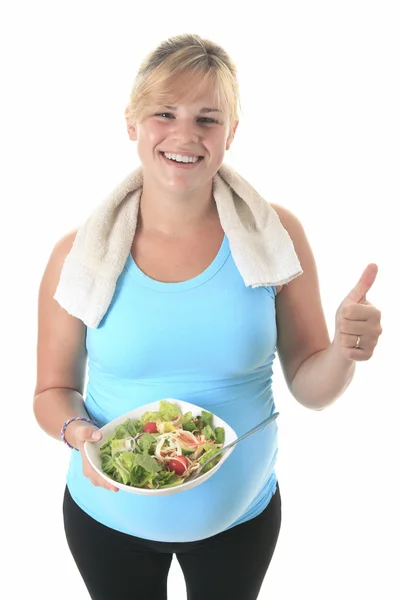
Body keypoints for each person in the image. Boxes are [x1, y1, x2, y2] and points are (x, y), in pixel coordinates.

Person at [33, 33, 382, 600]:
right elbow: (52, 390)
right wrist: (81, 436)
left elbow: (313, 389)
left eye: (208, 118)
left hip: (240, 520)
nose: (185, 134)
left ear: (232, 132)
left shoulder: (276, 237)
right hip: (107, 518)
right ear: (132, 123)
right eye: (164, 113)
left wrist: (343, 352)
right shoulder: (77, 256)